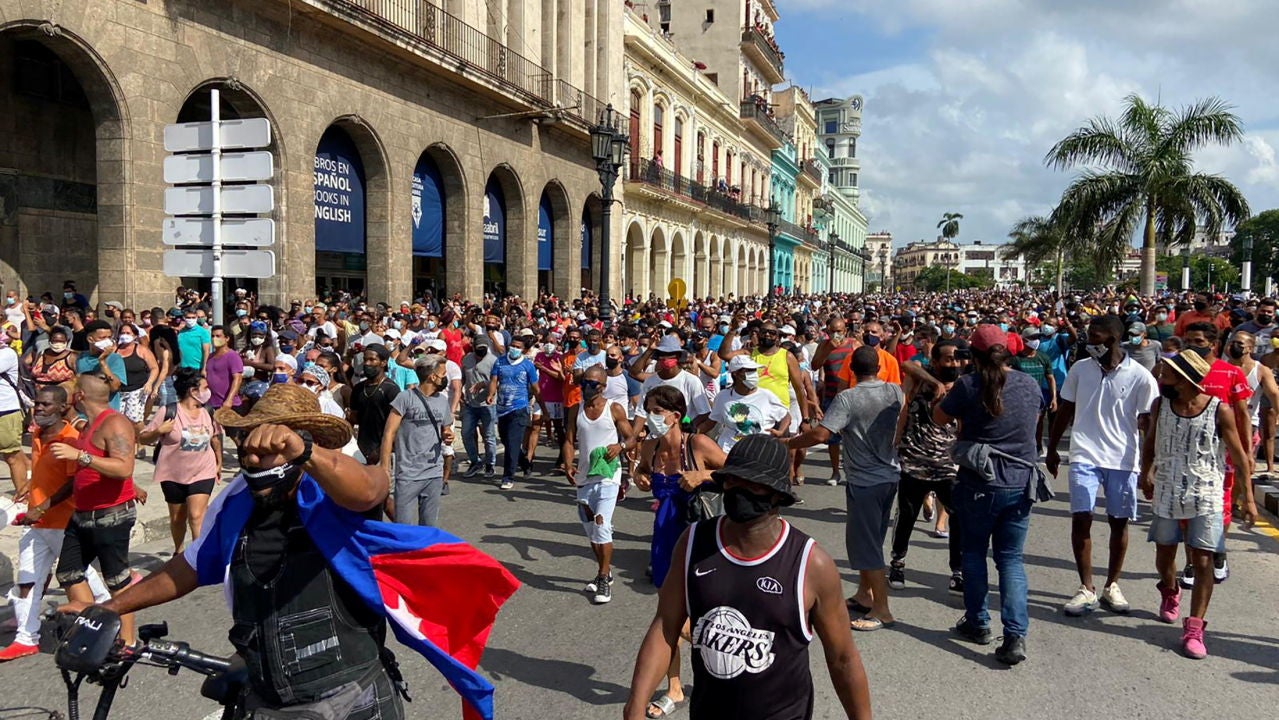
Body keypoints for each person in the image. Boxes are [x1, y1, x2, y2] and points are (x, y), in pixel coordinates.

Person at [624, 434, 873, 720]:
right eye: (733, 481)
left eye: (753, 484)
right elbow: (667, 626)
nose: (740, 490)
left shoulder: (810, 563)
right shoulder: (694, 542)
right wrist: (635, 703)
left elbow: (843, 658)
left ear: (777, 494)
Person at [935, 324, 1041, 665]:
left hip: (979, 483)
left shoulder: (968, 384)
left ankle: (978, 622)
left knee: (974, 553)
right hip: (1020, 482)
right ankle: (1014, 636)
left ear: (974, 356)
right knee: (1011, 559)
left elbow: (939, 417)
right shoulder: (1028, 383)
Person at [1139, 350, 1254, 659]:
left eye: (1166, 375)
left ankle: (1195, 626)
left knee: (1202, 561)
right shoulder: (1160, 405)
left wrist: (1249, 499)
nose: (1160, 379)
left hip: (1206, 494)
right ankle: (1170, 589)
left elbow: (1240, 457)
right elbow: (1150, 442)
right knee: (1165, 556)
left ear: (1186, 379)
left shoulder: (1220, 410)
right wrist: (1145, 472)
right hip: (1167, 491)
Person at [1045, 314, 1158, 617]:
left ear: (1113, 337)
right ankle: (1086, 588)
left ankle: (1112, 585)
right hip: (1084, 455)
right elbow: (1065, 410)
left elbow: (1149, 423)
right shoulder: (1080, 369)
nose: (1089, 339)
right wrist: (1053, 449)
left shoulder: (1140, 375)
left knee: (1118, 523)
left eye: (1095, 335)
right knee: (1081, 519)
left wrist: (1150, 465)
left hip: (1123, 460)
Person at [790, 346, 904, 632]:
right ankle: (865, 594)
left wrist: (787, 444)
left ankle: (882, 609)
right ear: (880, 367)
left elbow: (821, 433)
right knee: (873, 540)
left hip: (865, 480)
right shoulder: (894, 392)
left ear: (851, 369)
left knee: (867, 546)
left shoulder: (848, 398)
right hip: (890, 475)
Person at [632, 385, 726, 718]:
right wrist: (639, 475)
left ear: (675, 415)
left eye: (656, 411)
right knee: (669, 616)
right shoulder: (650, 447)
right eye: (648, 410)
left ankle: (724, 667)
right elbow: (642, 472)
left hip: (701, 541)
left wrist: (705, 475)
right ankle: (675, 687)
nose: (651, 417)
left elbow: (739, 474)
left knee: (702, 614)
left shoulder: (697, 444)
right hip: (664, 542)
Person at [0, 385, 110, 662]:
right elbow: (43, 469)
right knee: (27, 579)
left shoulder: (71, 439)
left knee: (80, 574)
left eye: (46, 405)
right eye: (37, 404)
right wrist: (29, 484)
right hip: (36, 524)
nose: (38, 409)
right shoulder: (37, 434)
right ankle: (27, 638)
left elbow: (75, 482)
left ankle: (111, 611)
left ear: (63, 408)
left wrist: (44, 506)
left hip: (64, 522)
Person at [52, 373, 141, 644]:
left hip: (111, 515)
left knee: (117, 582)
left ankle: (127, 643)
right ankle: (92, 631)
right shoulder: (88, 424)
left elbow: (124, 467)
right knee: (68, 572)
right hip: (83, 514)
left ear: (80, 396)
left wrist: (81, 456)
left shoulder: (114, 423)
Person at [887, 339, 964, 594]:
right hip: (914, 460)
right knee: (907, 516)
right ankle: (897, 562)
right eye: (948, 359)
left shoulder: (964, 385)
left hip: (948, 464)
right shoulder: (921, 380)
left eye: (956, 358)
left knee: (959, 518)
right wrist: (896, 442)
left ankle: (958, 571)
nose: (954, 363)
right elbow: (906, 364)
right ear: (935, 361)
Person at [1179, 321, 1251, 588]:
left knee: (1221, 508)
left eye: (1198, 342)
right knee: (1187, 511)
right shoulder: (1178, 370)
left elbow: (1242, 414)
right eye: (1188, 341)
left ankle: (1217, 550)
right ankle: (1191, 561)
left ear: (1213, 344)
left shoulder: (1231, 373)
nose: (1192, 346)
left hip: (1222, 455)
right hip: (1186, 454)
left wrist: (1245, 451)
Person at [561, 365, 637, 604]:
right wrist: (567, 463)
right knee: (591, 531)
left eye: (592, 384)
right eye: (583, 382)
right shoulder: (576, 410)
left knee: (601, 524)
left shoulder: (613, 409)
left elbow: (632, 437)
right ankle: (604, 570)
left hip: (608, 476)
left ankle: (604, 578)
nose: (586, 387)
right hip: (584, 477)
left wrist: (621, 447)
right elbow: (569, 439)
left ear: (603, 387)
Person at [138, 367, 221, 553]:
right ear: (193, 391)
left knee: (196, 515)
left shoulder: (208, 411)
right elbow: (142, 438)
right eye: (204, 387)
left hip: (202, 471)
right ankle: (179, 550)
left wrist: (219, 462)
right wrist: (158, 432)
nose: (208, 391)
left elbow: (215, 438)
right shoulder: (168, 411)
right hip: (173, 473)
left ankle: (197, 557)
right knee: (178, 518)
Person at [380, 354, 454, 527]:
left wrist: (448, 435)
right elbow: (389, 433)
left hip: (434, 472)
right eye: (443, 374)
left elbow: (446, 430)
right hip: (408, 473)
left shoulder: (442, 401)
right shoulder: (405, 398)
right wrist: (385, 467)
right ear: (432, 376)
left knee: (429, 527)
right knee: (403, 526)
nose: (445, 378)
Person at [704, 355, 791, 452]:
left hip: (759, 451)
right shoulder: (723, 397)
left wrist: (781, 431)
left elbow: (785, 416)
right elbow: (711, 421)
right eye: (749, 370)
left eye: (754, 370)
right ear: (736, 373)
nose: (753, 374)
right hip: (728, 452)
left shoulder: (766, 396)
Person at [487, 335, 540, 490]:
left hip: (520, 408)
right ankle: (525, 462)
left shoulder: (528, 366)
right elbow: (494, 381)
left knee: (512, 443)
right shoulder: (500, 362)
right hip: (502, 409)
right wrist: (490, 395)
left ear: (523, 349)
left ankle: (507, 476)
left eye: (518, 346)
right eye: (513, 345)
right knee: (507, 441)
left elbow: (535, 387)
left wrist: (542, 406)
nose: (515, 348)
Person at [349, 345, 401, 466]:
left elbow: (397, 426)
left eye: (372, 360)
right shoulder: (358, 388)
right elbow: (354, 419)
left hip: (384, 453)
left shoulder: (391, 390)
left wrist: (380, 451)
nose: (367, 363)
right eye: (365, 359)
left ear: (383, 363)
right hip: (360, 450)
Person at [1013, 326, 1057, 454]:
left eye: (1038, 337)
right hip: (1019, 398)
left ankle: (1036, 446)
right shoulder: (1016, 359)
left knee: (1037, 424)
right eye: (1033, 338)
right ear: (1025, 340)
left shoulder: (1043, 358)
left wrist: (1053, 398)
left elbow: (1050, 378)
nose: (1036, 340)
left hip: (1037, 398)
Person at [460, 340, 498, 478]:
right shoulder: (467, 359)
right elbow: (462, 378)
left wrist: (485, 384)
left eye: (483, 348)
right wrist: (459, 392)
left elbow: (499, 381)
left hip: (488, 404)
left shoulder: (494, 360)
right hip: (470, 404)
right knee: (466, 433)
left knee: (488, 436)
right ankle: (475, 462)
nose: (481, 351)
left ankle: (490, 464)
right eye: (478, 348)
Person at [0, 333, 29, 496]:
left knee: (11, 455)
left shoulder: (7, 354)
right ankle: (30, 468)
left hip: (5, 410)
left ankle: (22, 495)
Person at [76, 320, 126, 410]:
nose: (107, 341)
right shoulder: (80, 358)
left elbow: (114, 387)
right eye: (102, 338)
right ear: (90, 339)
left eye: (109, 337)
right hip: (84, 412)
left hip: (107, 412)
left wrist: (102, 362)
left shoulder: (115, 359)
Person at [205, 324, 245, 411]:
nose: (214, 339)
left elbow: (237, 379)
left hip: (229, 405)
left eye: (218, 336)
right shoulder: (210, 357)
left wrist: (229, 400)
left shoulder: (232, 356)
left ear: (227, 338)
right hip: (212, 404)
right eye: (213, 336)